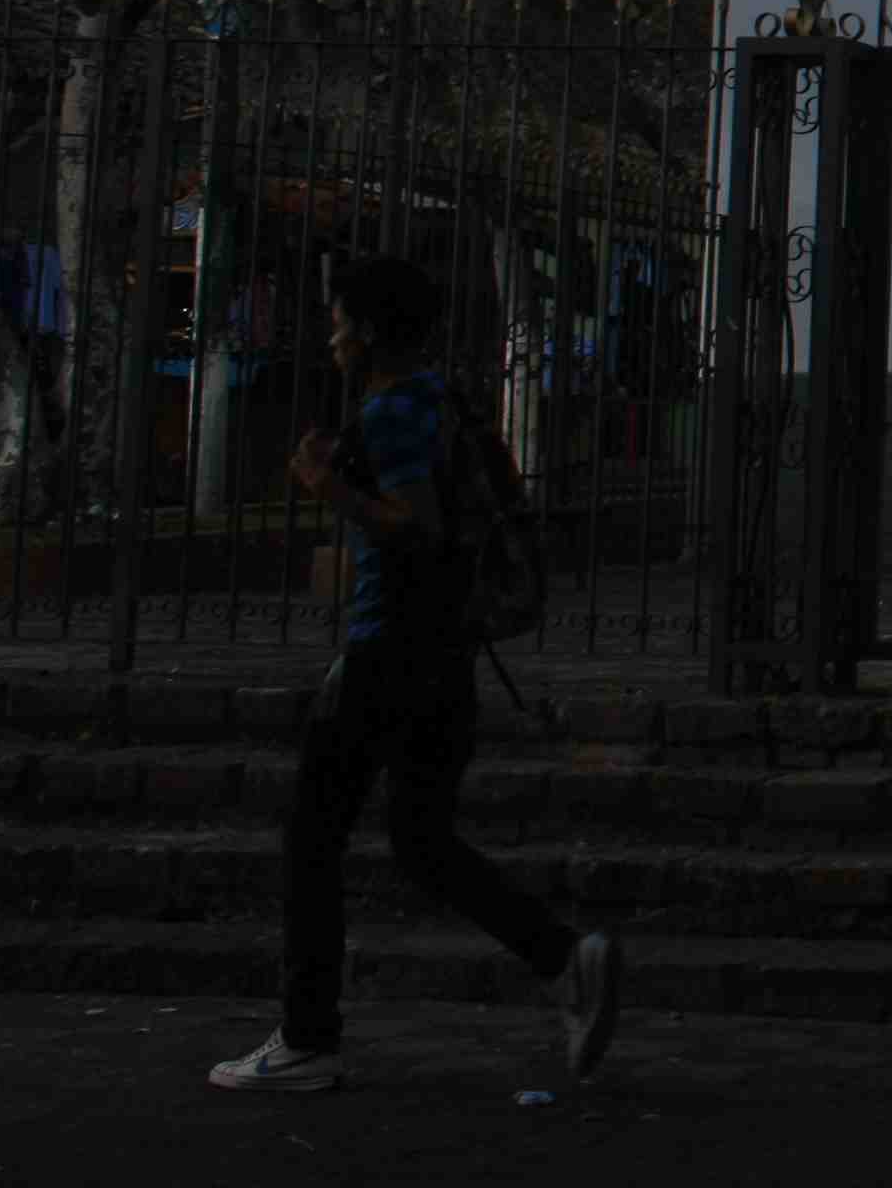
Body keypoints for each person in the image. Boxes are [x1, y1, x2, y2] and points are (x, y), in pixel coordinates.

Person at [209, 255, 619, 1096]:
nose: (328, 336)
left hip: (390, 649)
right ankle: (564, 958)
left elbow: (417, 527)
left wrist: (332, 488)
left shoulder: (395, 410)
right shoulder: (443, 400)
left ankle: (307, 1038)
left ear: (363, 331)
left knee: (312, 837)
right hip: (445, 652)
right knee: (421, 840)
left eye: (335, 320)